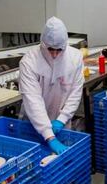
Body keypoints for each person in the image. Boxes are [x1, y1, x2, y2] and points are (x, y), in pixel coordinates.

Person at [19, 17, 84, 154]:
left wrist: (62, 119)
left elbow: (75, 93)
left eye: (59, 50)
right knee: (33, 162)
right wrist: (49, 135)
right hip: (33, 123)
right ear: (43, 44)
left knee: (59, 167)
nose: (54, 54)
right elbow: (33, 101)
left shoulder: (75, 58)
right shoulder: (29, 62)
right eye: (50, 49)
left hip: (61, 123)